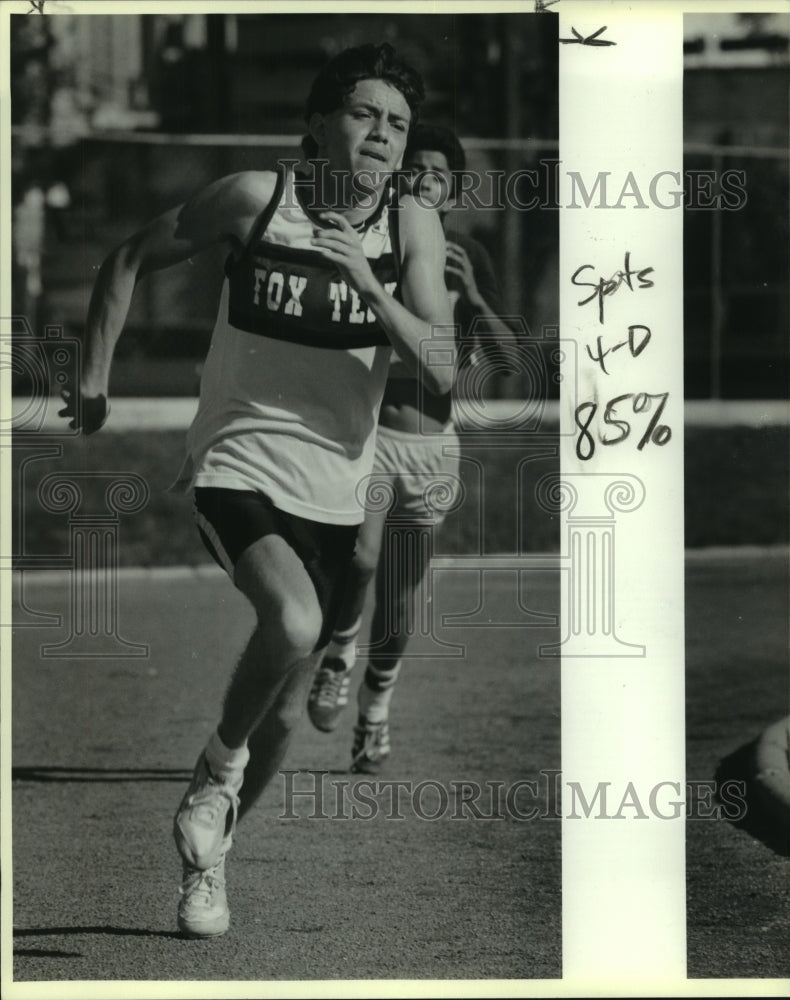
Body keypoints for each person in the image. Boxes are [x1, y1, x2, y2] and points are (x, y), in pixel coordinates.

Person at [59, 43, 454, 939]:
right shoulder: (255, 200)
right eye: (364, 114)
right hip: (236, 462)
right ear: (318, 124)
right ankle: (215, 779)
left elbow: (443, 367)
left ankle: (211, 853)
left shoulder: (411, 229)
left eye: (397, 123)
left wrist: (371, 285)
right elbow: (125, 259)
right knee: (296, 623)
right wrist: (92, 378)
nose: (383, 136)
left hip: (338, 485)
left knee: (282, 703)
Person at [307, 123, 516, 773]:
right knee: (362, 560)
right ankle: (339, 651)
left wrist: (476, 299)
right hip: (373, 439)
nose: (423, 179)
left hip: (434, 451)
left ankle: (374, 716)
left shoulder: (463, 258)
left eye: (437, 173)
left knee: (399, 604)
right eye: (413, 169)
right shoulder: (374, 243)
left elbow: (507, 362)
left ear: (452, 188)